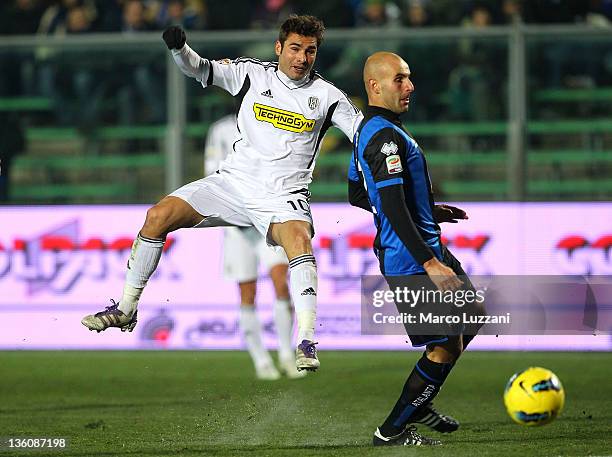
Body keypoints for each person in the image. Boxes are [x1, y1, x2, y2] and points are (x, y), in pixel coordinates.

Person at [81, 15, 363, 372]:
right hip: (231, 184)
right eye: (295, 48)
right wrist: (179, 48)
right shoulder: (251, 74)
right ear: (279, 48)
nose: (302, 58)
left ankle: (306, 340)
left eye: (310, 51)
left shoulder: (328, 96)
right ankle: (125, 308)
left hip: (281, 195)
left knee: (299, 242)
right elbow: (197, 68)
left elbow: (365, 137)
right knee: (157, 217)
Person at [348, 51, 484, 446]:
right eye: (399, 80)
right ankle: (391, 431)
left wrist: (427, 208)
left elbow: (359, 191)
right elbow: (387, 203)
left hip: (426, 247)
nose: (409, 86)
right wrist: (428, 261)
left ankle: (419, 403)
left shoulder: (373, 131)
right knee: (444, 345)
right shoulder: (384, 136)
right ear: (374, 85)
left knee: (472, 316)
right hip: (412, 258)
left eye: (408, 78)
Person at [204, 113, 305, 380]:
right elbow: (212, 171)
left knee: (281, 283)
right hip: (236, 226)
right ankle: (260, 359)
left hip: (268, 222)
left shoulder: (272, 123)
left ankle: (286, 354)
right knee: (247, 293)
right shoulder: (221, 129)